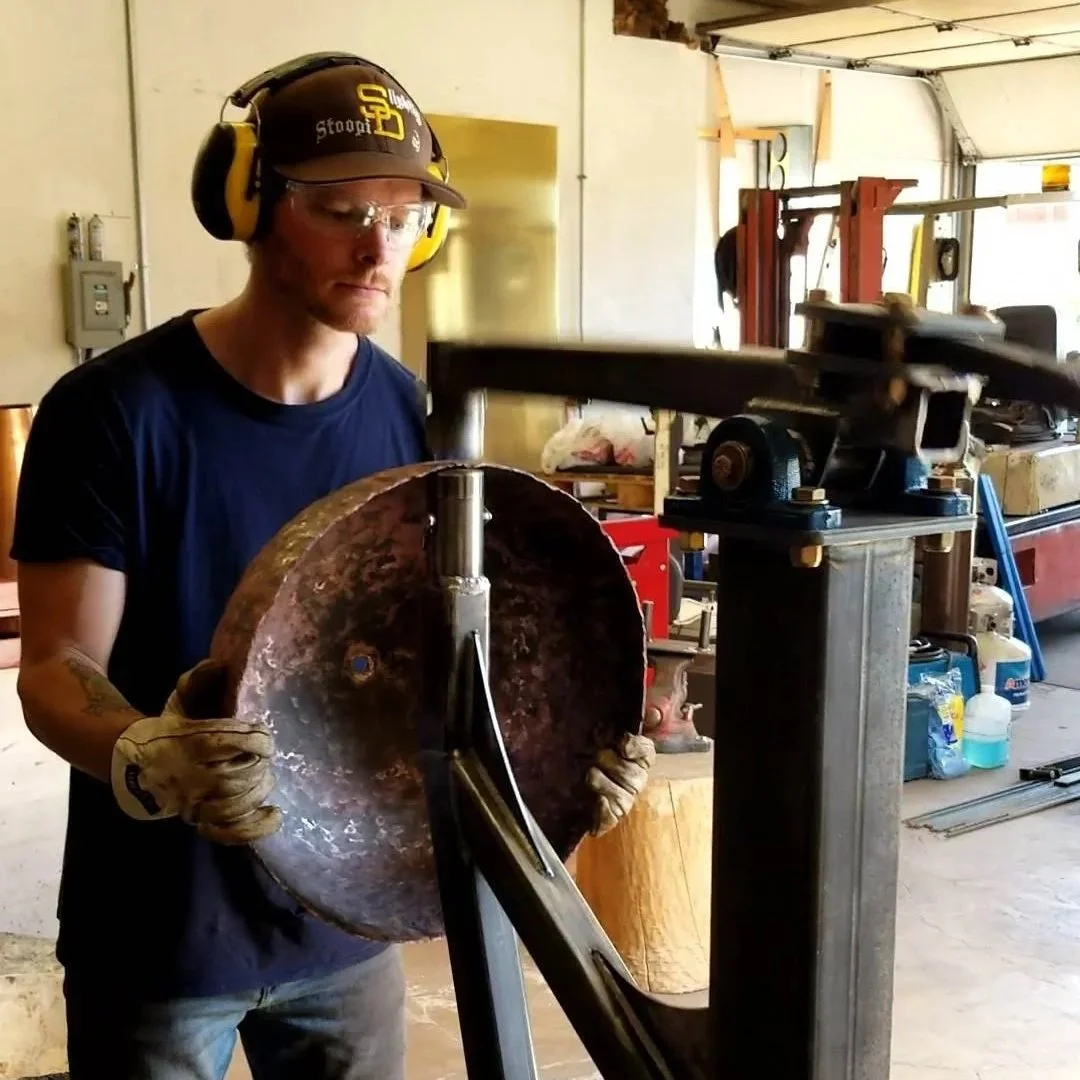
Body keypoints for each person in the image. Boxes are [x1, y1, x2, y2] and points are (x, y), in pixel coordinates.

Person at [12, 52, 655, 1080]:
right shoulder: (116, 415)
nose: (379, 246)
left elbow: (450, 665)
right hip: (162, 936)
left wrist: (553, 766)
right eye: (341, 208)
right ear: (247, 203)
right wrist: (147, 753)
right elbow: (51, 665)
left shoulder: (419, 417)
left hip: (347, 925)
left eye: (403, 216)